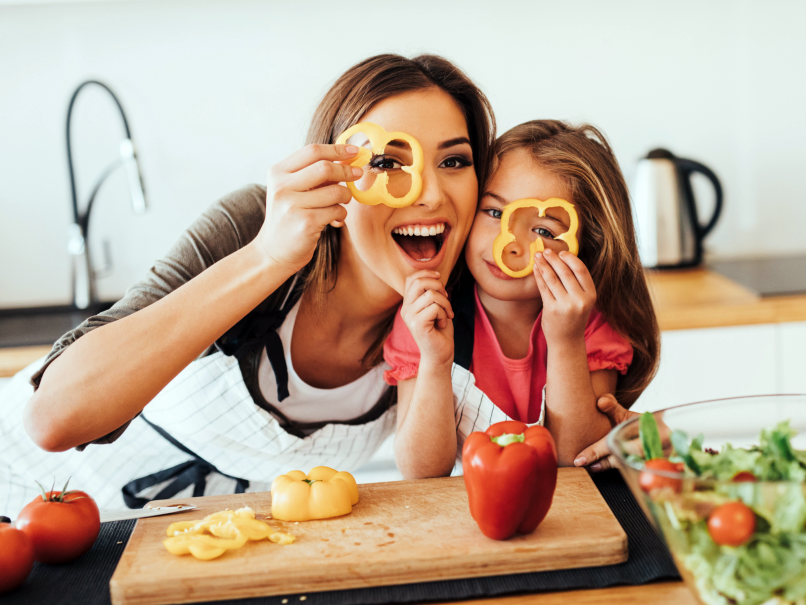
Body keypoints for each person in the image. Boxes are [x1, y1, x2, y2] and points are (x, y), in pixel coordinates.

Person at [0, 54, 496, 516]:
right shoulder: (255, 228)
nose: (430, 194)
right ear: (336, 179)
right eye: (387, 163)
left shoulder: (447, 318)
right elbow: (52, 420)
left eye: (454, 162)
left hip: (192, 547)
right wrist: (268, 256)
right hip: (26, 495)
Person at [384, 120, 660, 478]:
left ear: (587, 247)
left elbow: (577, 459)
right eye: (495, 213)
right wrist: (436, 361)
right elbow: (420, 471)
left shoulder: (590, 321)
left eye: (543, 230)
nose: (509, 244)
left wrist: (566, 340)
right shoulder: (425, 314)